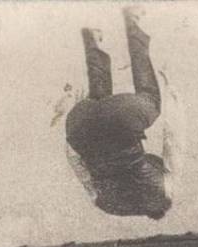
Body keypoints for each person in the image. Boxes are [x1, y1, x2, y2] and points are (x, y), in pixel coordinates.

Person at [65, 7, 175, 219]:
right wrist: (74, 130)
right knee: (99, 100)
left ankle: (132, 21)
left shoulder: (165, 190)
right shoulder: (106, 204)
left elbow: (173, 144)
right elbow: (76, 164)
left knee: (150, 97)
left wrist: (171, 98)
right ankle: (91, 38)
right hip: (79, 126)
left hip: (121, 120)